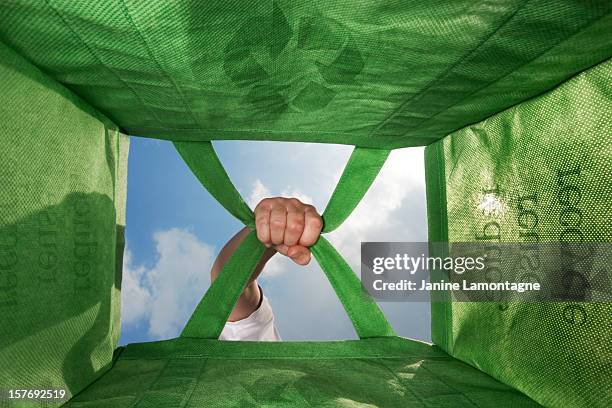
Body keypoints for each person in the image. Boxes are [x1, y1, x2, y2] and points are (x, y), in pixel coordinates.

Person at [212, 197, 323, 341]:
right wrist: (268, 233)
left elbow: (225, 290)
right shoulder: (266, 359)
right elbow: (227, 289)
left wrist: (267, 233)